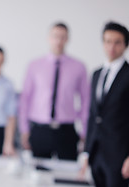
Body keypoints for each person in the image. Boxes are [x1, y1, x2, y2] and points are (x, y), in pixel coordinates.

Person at [82, 21, 129, 187]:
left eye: (117, 43)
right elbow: (93, 116)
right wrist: (86, 152)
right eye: (108, 41)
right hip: (96, 153)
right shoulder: (96, 74)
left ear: (125, 46)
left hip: (120, 155)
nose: (112, 47)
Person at [19, 22, 90, 160]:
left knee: (67, 176)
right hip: (40, 130)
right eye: (55, 36)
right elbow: (25, 98)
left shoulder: (79, 67)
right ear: (48, 38)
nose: (59, 41)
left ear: (67, 39)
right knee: (38, 176)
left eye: (63, 37)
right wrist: (24, 129)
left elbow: (85, 100)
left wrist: (85, 131)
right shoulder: (34, 66)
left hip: (66, 131)